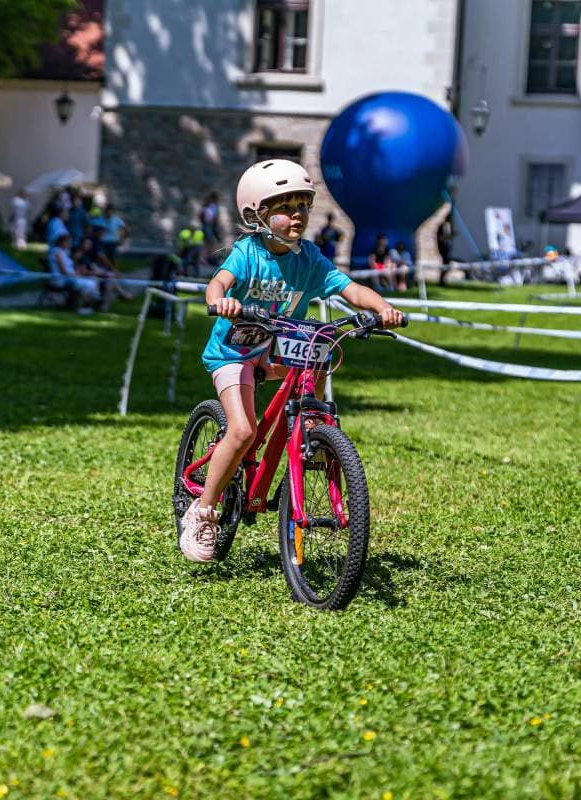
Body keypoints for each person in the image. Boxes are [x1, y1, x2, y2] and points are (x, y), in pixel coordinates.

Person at [179, 160, 405, 562]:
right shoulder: (248, 254)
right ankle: (204, 511)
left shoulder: (309, 258)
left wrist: (382, 307)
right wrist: (220, 301)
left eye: (303, 205)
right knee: (244, 430)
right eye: (285, 207)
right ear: (257, 215)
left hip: (277, 346)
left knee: (319, 356)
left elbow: (350, 288)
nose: (297, 215)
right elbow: (219, 283)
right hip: (234, 349)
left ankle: (313, 432)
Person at [199, 192, 221, 265]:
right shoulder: (211, 206)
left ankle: (206, 258)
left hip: (208, 225)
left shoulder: (208, 205)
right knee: (210, 242)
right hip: (208, 225)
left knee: (208, 242)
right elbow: (211, 216)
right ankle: (206, 258)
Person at [437, 219, 453, 286]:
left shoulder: (450, 226)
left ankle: (443, 279)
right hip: (444, 250)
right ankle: (441, 280)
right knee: (445, 265)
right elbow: (440, 238)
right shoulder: (441, 227)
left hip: (448, 249)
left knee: (448, 265)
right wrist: (447, 237)